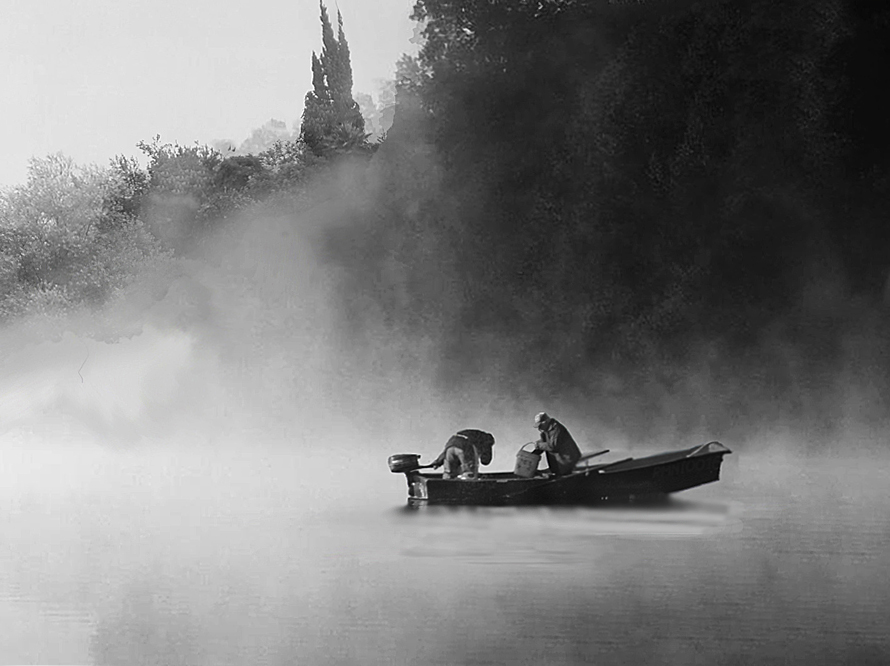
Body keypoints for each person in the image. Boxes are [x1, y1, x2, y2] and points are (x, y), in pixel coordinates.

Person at [429, 429, 495, 480]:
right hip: (465, 446)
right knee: (470, 475)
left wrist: (438, 461)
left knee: (449, 474)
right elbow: (486, 461)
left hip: (451, 444)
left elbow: (447, 450)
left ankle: (444, 487)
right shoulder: (487, 439)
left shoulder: (472, 434)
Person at [532, 412, 581, 476]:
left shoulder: (557, 428)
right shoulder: (545, 431)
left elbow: (553, 446)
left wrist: (538, 445)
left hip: (568, 462)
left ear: (545, 422)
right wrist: (530, 456)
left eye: (540, 426)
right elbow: (543, 446)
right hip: (559, 464)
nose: (539, 428)